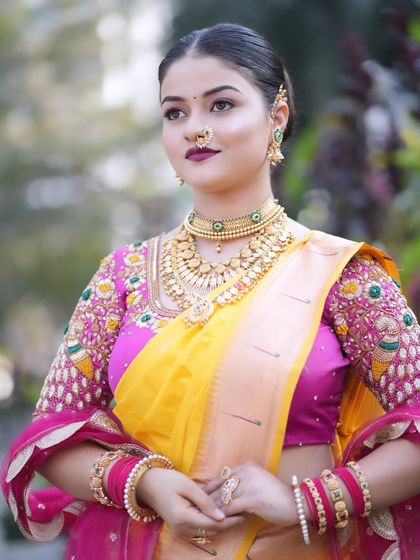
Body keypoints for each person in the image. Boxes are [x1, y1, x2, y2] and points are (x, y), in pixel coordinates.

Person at [2, 22, 420, 560]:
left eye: (221, 105)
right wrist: (144, 482)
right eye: (175, 112)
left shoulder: (343, 275)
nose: (194, 128)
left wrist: (310, 499)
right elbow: (52, 432)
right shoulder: (122, 276)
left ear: (277, 117)